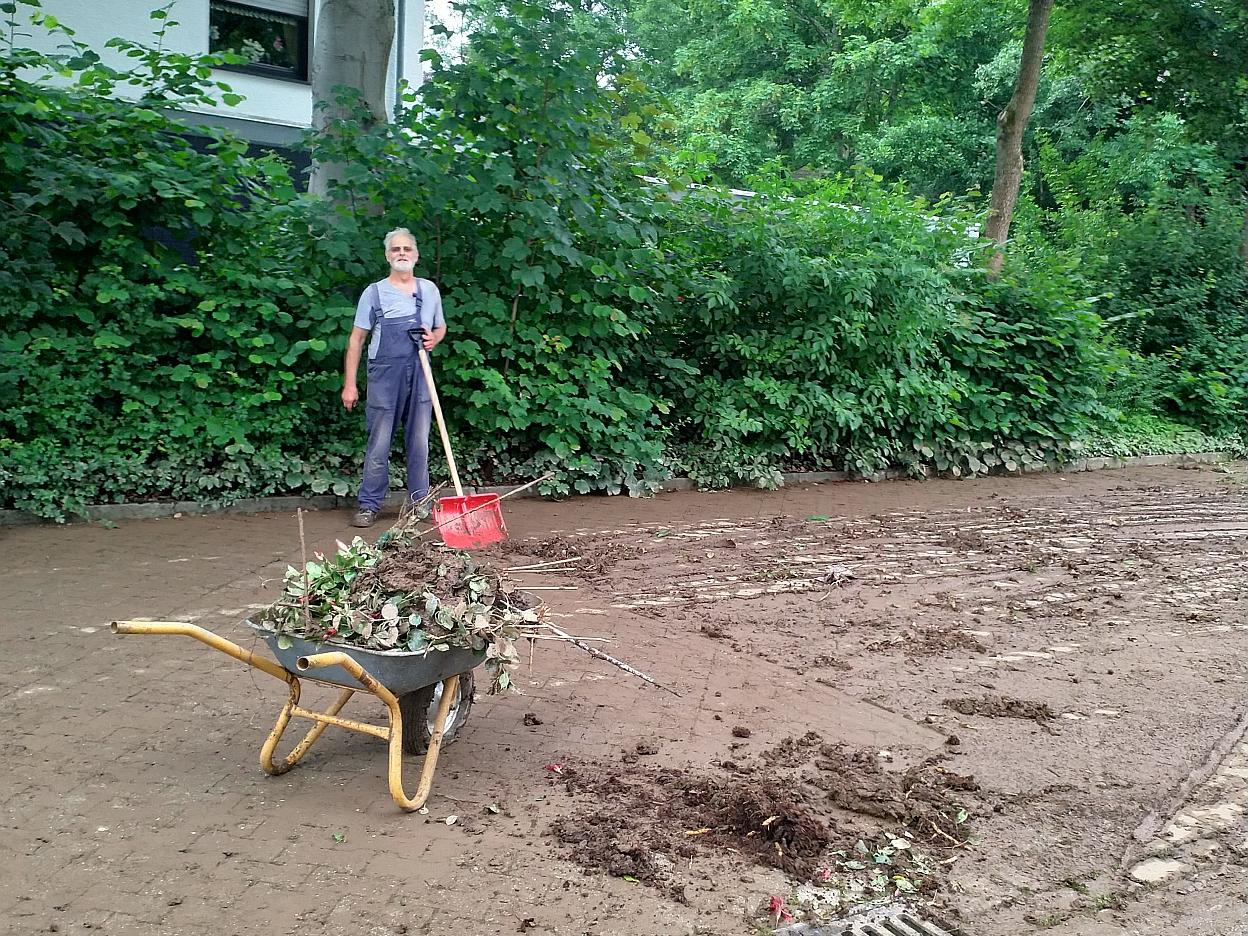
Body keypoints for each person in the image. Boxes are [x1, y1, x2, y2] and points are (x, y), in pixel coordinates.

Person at [341, 227, 447, 528]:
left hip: (421, 373)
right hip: (385, 376)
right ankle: (369, 505)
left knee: (419, 442)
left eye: (407, 249)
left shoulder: (429, 291)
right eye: (396, 249)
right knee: (379, 442)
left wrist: (435, 338)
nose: (401, 253)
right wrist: (350, 385)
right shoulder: (374, 293)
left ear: (416, 255)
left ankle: (420, 503)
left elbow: (440, 327)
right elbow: (356, 339)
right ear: (388, 256)